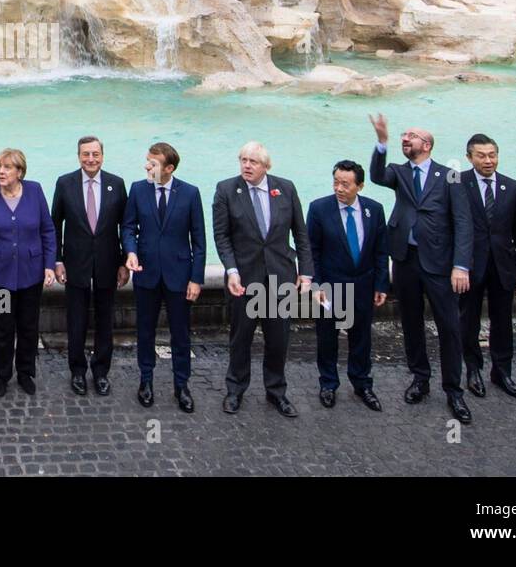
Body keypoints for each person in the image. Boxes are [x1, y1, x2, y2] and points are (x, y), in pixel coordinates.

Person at [368, 114, 474, 424]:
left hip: (441, 264)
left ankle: (454, 389)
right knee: (411, 323)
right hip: (405, 260)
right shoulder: (398, 172)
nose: (405, 138)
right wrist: (382, 141)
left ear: (426, 145)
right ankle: (420, 378)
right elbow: (375, 176)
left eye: (410, 136)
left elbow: (463, 222)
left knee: (449, 327)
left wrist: (460, 265)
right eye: (403, 135)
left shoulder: (450, 176)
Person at [213, 142, 312, 418]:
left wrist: (306, 272)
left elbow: (301, 234)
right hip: (244, 278)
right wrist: (232, 271)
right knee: (240, 338)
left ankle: (276, 391)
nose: (246, 165)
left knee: (278, 339)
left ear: (266, 166)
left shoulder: (286, 188)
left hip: (280, 278)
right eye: (243, 160)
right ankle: (235, 390)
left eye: (253, 161)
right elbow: (221, 237)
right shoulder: (226, 190)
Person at [122, 142, 207, 413]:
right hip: (146, 274)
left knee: (181, 335)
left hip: (179, 276)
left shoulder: (191, 193)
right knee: (144, 332)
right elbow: (128, 227)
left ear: (169, 168)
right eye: (147, 160)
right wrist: (131, 252)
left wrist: (196, 279)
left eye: (153, 163)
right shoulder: (137, 189)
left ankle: (181, 385)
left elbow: (200, 241)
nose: (147, 166)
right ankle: (145, 380)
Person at [0, 149, 57, 397]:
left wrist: (49, 264)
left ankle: (26, 372)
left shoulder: (35, 190)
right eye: (0, 166)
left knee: (29, 326)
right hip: (1, 279)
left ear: (20, 172)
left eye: (7, 167)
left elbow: (48, 231)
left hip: (31, 276)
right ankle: (2, 374)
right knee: (4, 327)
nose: (1, 171)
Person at [306, 161, 389, 411]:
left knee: (361, 337)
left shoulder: (374, 210)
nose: (339, 188)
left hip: (363, 284)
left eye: (345, 184)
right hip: (331, 285)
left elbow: (380, 250)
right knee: (327, 337)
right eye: (336, 182)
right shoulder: (319, 209)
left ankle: (362, 382)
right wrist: (316, 284)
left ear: (359, 186)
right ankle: (328, 383)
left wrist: (381, 284)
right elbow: (312, 251)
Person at [50, 136, 128, 397]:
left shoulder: (116, 184)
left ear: (102, 156)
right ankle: (77, 371)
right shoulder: (65, 183)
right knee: (76, 319)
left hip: (108, 262)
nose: (91, 159)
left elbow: (124, 227)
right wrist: (57, 260)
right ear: (78, 156)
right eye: (86, 154)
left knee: (105, 320)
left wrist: (123, 262)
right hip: (75, 263)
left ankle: (101, 372)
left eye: (95, 154)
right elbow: (54, 225)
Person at [459, 134, 516, 400]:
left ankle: (502, 372)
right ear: (470, 157)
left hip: (504, 266)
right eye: (482, 155)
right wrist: (456, 266)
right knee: (468, 320)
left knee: (503, 322)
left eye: (492, 155)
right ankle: (472, 370)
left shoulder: (512, 187)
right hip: (469, 266)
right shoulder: (458, 184)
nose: (488, 160)